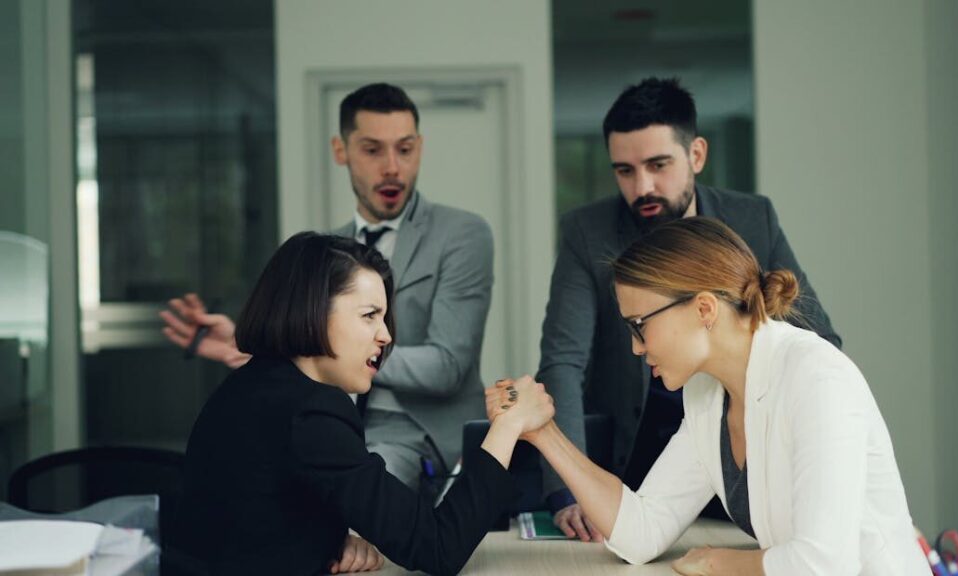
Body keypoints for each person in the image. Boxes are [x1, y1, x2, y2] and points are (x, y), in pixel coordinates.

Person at [491, 217, 929, 575]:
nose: (636, 347)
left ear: (704, 309)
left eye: (639, 325)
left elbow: (824, 563)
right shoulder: (707, 394)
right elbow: (641, 533)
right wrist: (545, 434)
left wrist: (723, 562)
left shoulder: (817, 378)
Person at [536, 77, 841, 541]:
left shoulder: (752, 220)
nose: (643, 187)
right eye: (624, 171)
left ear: (696, 155)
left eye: (658, 165)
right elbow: (564, 359)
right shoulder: (588, 232)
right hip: (635, 448)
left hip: (743, 445)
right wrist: (567, 490)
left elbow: (817, 337)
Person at [161, 83, 494, 487]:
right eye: (373, 150)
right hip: (330, 425)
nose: (392, 167)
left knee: (356, 495)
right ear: (341, 151)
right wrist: (253, 343)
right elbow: (307, 359)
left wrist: (322, 345)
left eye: (404, 149)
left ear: (419, 148)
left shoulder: (462, 234)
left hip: (417, 435)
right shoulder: (324, 250)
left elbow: (447, 368)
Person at [176, 232, 552, 574]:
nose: (386, 335)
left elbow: (260, 524)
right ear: (313, 312)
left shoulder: (253, 387)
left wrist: (324, 541)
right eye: (369, 315)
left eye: (384, 317)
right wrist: (507, 426)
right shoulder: (313, 412)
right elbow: (437, 547)